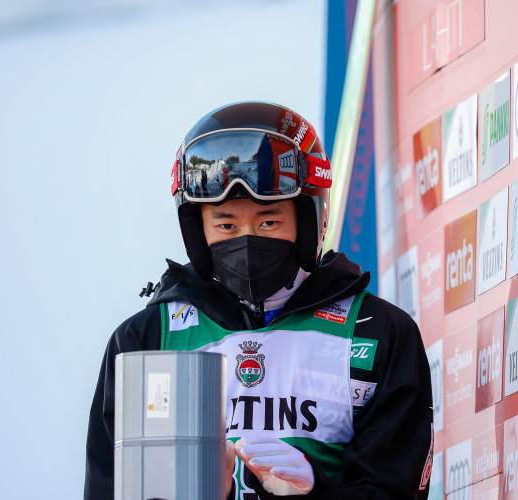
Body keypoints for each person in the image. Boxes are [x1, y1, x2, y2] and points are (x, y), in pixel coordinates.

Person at [84, 101, 434, 499]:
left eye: (268, 221)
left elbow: (395, 491)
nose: (246, 240)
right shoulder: (147, 342)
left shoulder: (376, 334)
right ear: (197, 232)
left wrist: (311, 493)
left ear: (308, 222)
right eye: (226, 224)